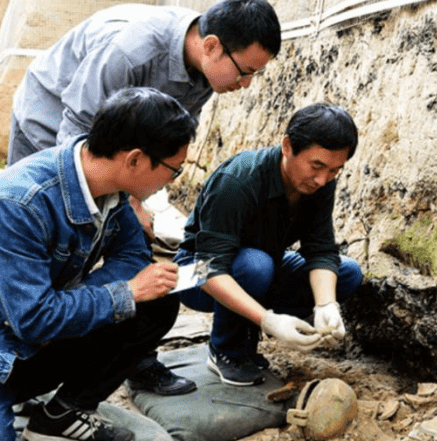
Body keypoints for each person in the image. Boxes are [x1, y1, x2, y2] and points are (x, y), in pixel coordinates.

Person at [6, 0, 282, 396]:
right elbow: (79, 133)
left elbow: (168, 142)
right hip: (52, 125)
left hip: (116, 160)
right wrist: (129, 203)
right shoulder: (129, 50)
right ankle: (22, 357)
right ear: (212, 46)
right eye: (246, 72)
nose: (247, 84)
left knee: (131, 254)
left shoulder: (205, 74)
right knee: (51, 245)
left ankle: (119, 357)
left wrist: (137, 204)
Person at [0, 87, 198, 441]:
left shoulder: (110, 189)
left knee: (157, 299)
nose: (170, 182)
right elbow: (34, 319)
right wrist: (122, 293)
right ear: (136, 160)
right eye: (172, 170)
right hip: (6, 351)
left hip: (34, 339)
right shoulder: (20, 204)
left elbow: (134, 255)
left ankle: (61, 414)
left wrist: (84, 299)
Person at [176, 103, 363, 386]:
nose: (323, 179)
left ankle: (248, 324)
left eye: (335, 171)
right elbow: (208, 267)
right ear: (287, 146)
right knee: (255, 265)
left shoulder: (319, 183)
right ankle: (226, 350)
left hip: (262, 264)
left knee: (347, 272)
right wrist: (269, 321)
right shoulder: (238, 180)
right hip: (194, 274)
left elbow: (321, 249)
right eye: (317, 166)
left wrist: (327, 304)